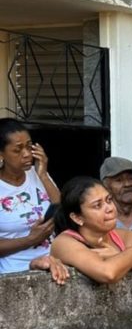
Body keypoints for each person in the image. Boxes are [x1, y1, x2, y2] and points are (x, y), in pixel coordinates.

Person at [51, 176, 132, 284]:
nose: (109, 208)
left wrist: (122, 255)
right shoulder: (65, 242)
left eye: (109, 200)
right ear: (77, 218)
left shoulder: (121, 235)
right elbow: (108, 273)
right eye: (98, 205)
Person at [0, 118, 68, 283]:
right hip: (16, 274)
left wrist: (43, 175)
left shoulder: (36, 173)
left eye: (29, 146)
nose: (27, 154)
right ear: (1, 154)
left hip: (55, 262)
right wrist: (31, 239)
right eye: (18, 150)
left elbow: (62, 211)